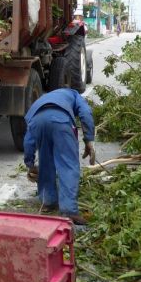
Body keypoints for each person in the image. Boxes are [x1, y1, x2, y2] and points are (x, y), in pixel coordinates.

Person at [23, 86, 96, 226]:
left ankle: (48, 202)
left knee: (45, 162)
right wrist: (89, 140)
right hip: (61, 121)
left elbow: (28, 140)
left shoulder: (43, 99)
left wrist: (30, 164)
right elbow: (86, 113)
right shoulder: (75, 94)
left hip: (37, 121)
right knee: (68, 165)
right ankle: (69, 210)